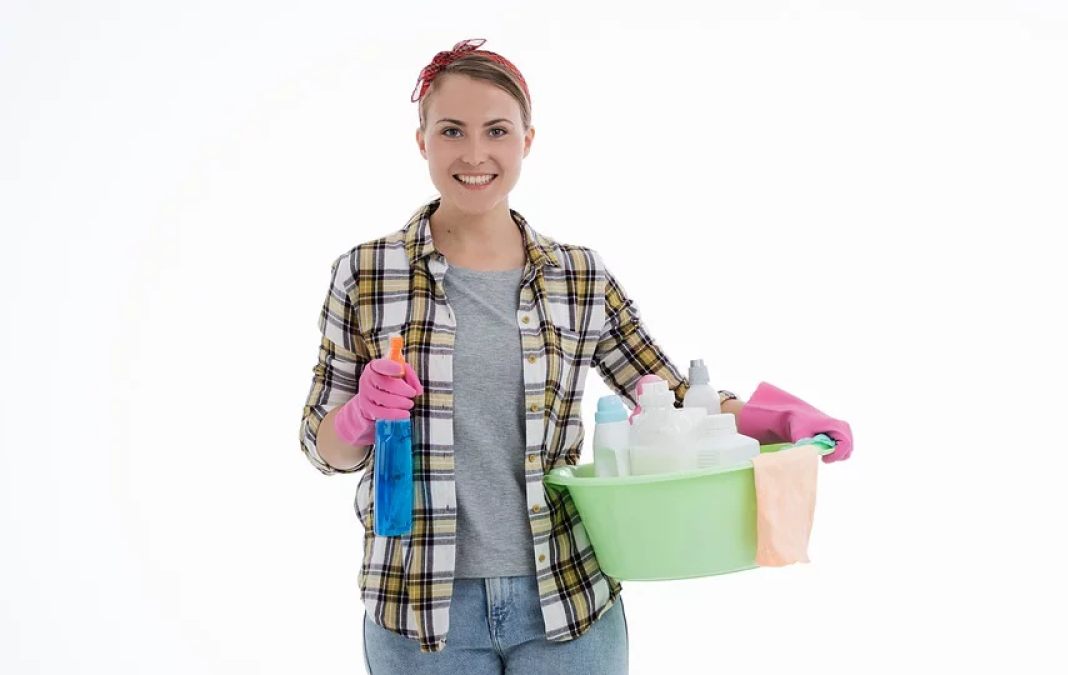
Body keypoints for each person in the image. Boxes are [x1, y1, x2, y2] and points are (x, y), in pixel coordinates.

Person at [299, 39, 744, 674]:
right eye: (452, 130)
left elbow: (673, 401)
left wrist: (769, 419)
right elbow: (323, 448)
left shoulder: (577, 276)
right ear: (421, 139)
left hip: (567, 602)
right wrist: (356, 418)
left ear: (527, 140)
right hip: (419, 609)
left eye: (496, 131)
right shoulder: (368, 273)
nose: (475, 154)